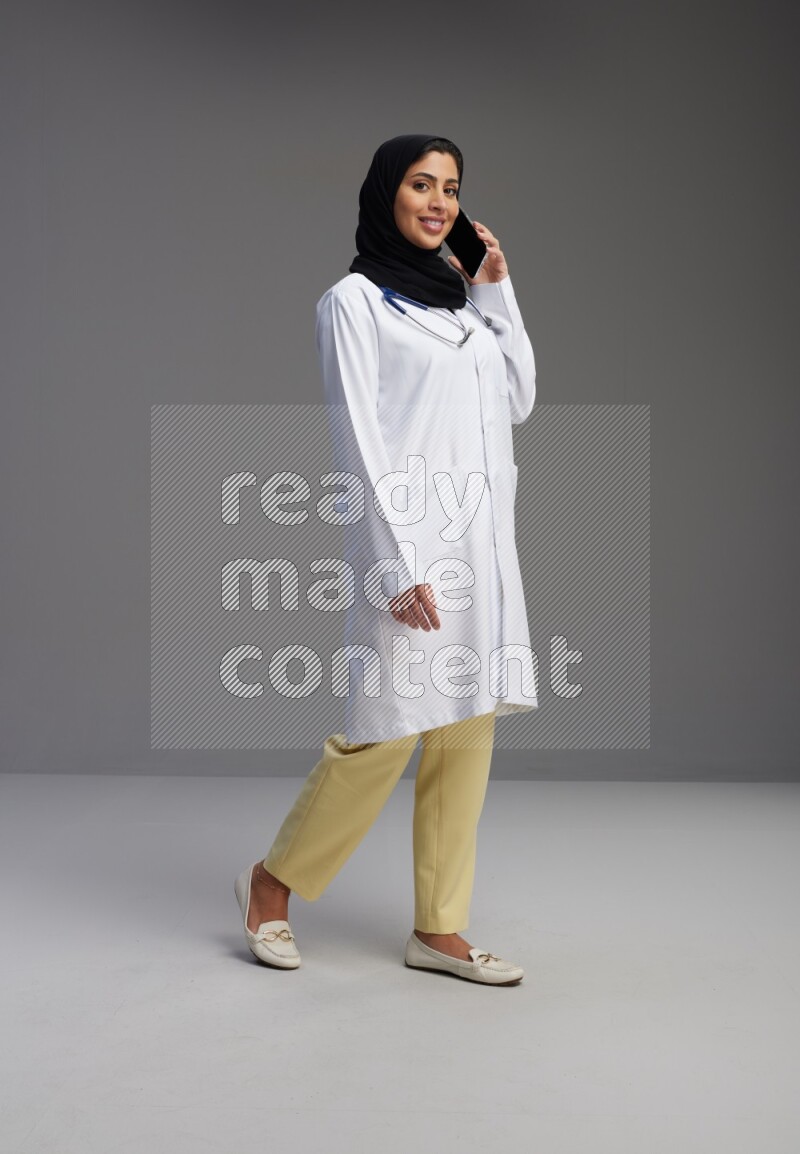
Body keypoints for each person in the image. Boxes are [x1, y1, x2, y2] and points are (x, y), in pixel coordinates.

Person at [235, 134, 537, 986]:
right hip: (408, 548)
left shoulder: (467, 308)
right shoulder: (354, 303)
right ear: (385, 193)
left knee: (465, 734)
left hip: (481, 545)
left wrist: (497, 290)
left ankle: (439, 929)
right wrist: (393, 564)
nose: (438, 202)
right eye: (420, 184)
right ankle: (272, 882)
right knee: (382, 731)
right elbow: (356, 441)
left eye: (450, 188)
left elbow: (520, 397)